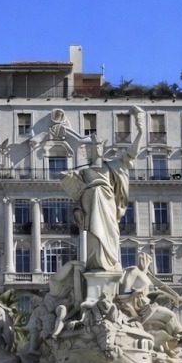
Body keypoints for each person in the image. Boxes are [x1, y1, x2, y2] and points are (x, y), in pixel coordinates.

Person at [57, 106, 144, 272]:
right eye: (93, 146)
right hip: (90, 207)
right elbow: (74, 192)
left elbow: (132, 153)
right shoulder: (83, 170)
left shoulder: (112, 165)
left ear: (102, 148)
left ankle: (110, 265)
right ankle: (96, 267)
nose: (96, 148)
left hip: (107, 204)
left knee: (109, 235)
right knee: (93, 239)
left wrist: (141, 130)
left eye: (99, 146)